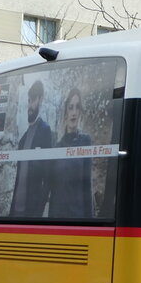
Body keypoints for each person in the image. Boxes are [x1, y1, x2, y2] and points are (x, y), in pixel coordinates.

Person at [11, 79, 53, 216]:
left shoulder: (45, 131)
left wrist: (38, 211)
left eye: (33, 100)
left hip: (31, 213)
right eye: (29, 100)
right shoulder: (24, 138)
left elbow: (48, 177)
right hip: (15, 213)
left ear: (41, 99)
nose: (30, 105)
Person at [50, 87, 94, 217]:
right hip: (58, 219)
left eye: (77, 107)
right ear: (65, 112)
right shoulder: (57, 147)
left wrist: (89, 222)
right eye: (70, 107)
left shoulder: (86, 141)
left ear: (80, 111)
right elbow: (53, 189)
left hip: (78, 217)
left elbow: (87, 185)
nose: (74, 112)